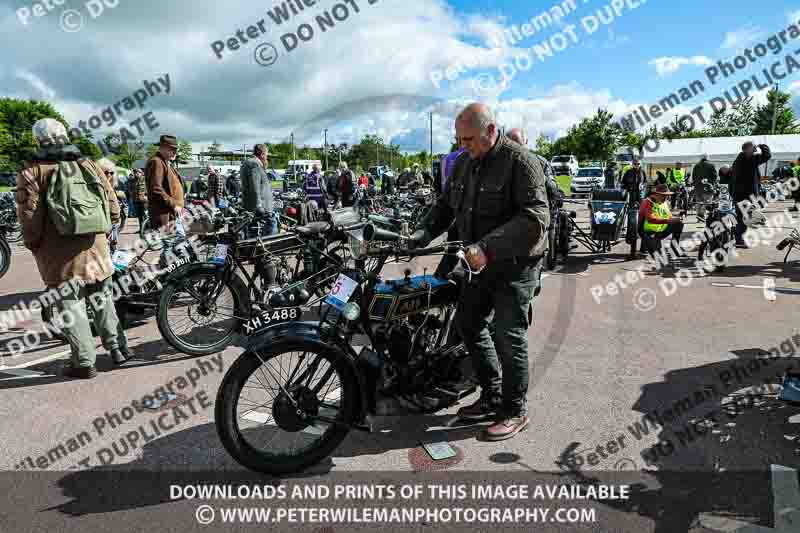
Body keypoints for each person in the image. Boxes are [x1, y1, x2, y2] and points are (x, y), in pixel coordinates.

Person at [414, 103, 549, 441]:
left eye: (469, 139)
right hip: (478, 265)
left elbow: (535, 220)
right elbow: (445, 207)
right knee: (468, 323)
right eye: (459, 140)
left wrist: (487, 246)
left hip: (515, 266)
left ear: (491, 131)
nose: (463, 146)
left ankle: (515, 410)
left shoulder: (522, 162)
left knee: (508, 334)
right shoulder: (463, 163)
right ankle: (491, 395)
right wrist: (420, 234)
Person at [16, 119, 130, 378]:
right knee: (102, 299)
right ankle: (118, 349)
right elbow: (111, 202)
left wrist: (33, 244)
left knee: (72, 306)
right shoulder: (88, 163)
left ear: (38, 141)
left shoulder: (32, 171)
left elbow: (29, 216)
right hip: (95, 243)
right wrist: (106, 227)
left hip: (58, 250)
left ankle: (84, 362)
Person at [731, 141, 771, 247]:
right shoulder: (750, 159)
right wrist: (761, 146)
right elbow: (767, 155)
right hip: (746, 195)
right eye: (753, 147)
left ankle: (738, 238)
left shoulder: (738, 160)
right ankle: (738, 236)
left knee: (742, 217)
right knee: (747, 218)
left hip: (738, 194)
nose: (754, 149)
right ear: (748, 149)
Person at [145, 135, 184, 231]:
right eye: (172, 149)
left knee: (174, 243)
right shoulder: (156, 162)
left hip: (170, 213)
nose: (175, 152)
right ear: (163, 147)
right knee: (166, 243)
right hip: (164, 214)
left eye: (176, 149)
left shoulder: (164, 162)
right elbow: (156, 189)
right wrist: (174, 205)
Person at [639, 183, 684, 259]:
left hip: (661, 230)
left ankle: (674, 249)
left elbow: (669, 216)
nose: (666, 197)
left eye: (667, 195)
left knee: (679, 223)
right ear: (657, 194)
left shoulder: (664, 202)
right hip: (649, 232)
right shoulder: (647, 202)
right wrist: (668, 221)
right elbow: (651, 219)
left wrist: (677, 218)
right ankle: (647, 245)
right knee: (657, 256)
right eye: (664, 195)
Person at [240, 144, 276, 235]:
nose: (267, 157)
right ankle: (270, 247)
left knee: (253, 231)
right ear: (262, 154)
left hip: (252, 205)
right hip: (261, 206)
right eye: (266, 154)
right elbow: (255, 186)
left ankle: (255, 248)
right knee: (272, 225)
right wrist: (258, 206)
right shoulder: (254, 164)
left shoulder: (248, 162)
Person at [621, 159, 646, 259]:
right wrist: (626, 188)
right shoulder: (628, 172)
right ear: (632, 164)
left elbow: (646, 182)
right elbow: (622, 183)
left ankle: (643, 246)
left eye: (638, 164)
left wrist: (643, 185)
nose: (637, 165)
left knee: (642, 219)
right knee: (632, 218)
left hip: (640, 196)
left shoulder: (643, 172)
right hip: (631, 196)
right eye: (635, 164)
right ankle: (630, 235)